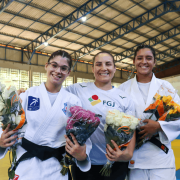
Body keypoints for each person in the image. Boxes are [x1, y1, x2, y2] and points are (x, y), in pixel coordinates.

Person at [0, 50, 91, 180]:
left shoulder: (73, 102)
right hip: (26, 165)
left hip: (56, 169)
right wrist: (1, 140)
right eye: (54, 65)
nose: (58, 71)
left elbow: (81, 137)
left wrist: (82, 154)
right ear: (46, 65)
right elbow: (9, 124)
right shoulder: (28, 95)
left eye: (63, 68)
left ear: (68, 72)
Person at [65, 51, 136, 180]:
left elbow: (130, 129)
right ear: (93, 68)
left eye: (108, 64)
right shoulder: (77, 89)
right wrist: (27, 94)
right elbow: (54, 93)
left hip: (114, 165)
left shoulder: (125, 98)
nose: (103, 68)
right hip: (83, 162)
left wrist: (127, 154)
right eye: (99, 64)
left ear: (114, 68)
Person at [119, 45, 180, 180]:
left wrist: (158, 126)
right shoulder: (123, 89)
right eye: (139, 58)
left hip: (161, 158)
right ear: (134, 61)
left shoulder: (165, 87)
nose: (144, 62)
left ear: (154, 62)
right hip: (135, 157)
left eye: (148, 58)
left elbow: (179, 117)